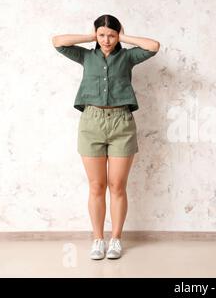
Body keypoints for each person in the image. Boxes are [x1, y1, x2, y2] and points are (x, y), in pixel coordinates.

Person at [52, 14, 160, 260]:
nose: (106, 40)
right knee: (96, 186)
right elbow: (57, 41)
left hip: (122, 122)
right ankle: (98, 239)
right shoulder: (86, 56)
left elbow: (153, 47)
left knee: (117, 186)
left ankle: (116, 240)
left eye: (111, 35)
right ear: (95, 34)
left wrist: (124, 36)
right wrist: (91, 36)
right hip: (91, 122)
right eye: (102, 35)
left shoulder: (128, 56)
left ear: (118, 34)